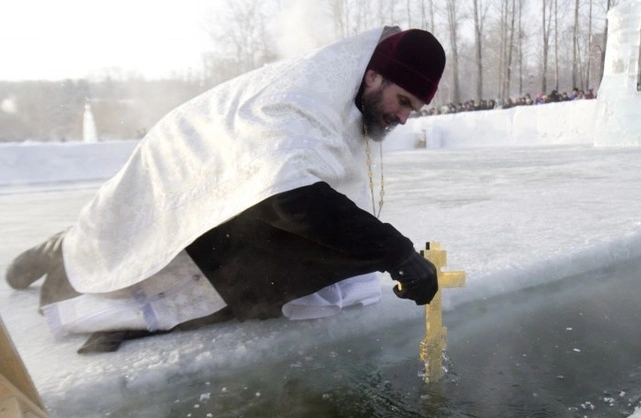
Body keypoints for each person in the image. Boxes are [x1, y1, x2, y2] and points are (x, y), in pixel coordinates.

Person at [5, 26, 446, 352]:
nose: (404, 118)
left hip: (233, 172)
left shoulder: (350, 99)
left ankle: (91, 258)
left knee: (259, 274)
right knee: (134, 252)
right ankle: (64, 249)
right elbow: (289, 198)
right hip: (183, 158)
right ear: (373, 77)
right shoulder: (307, 96)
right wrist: (396, 251)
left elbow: (319, 194)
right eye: (403, 101)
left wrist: (387, 253)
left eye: (414, 108)